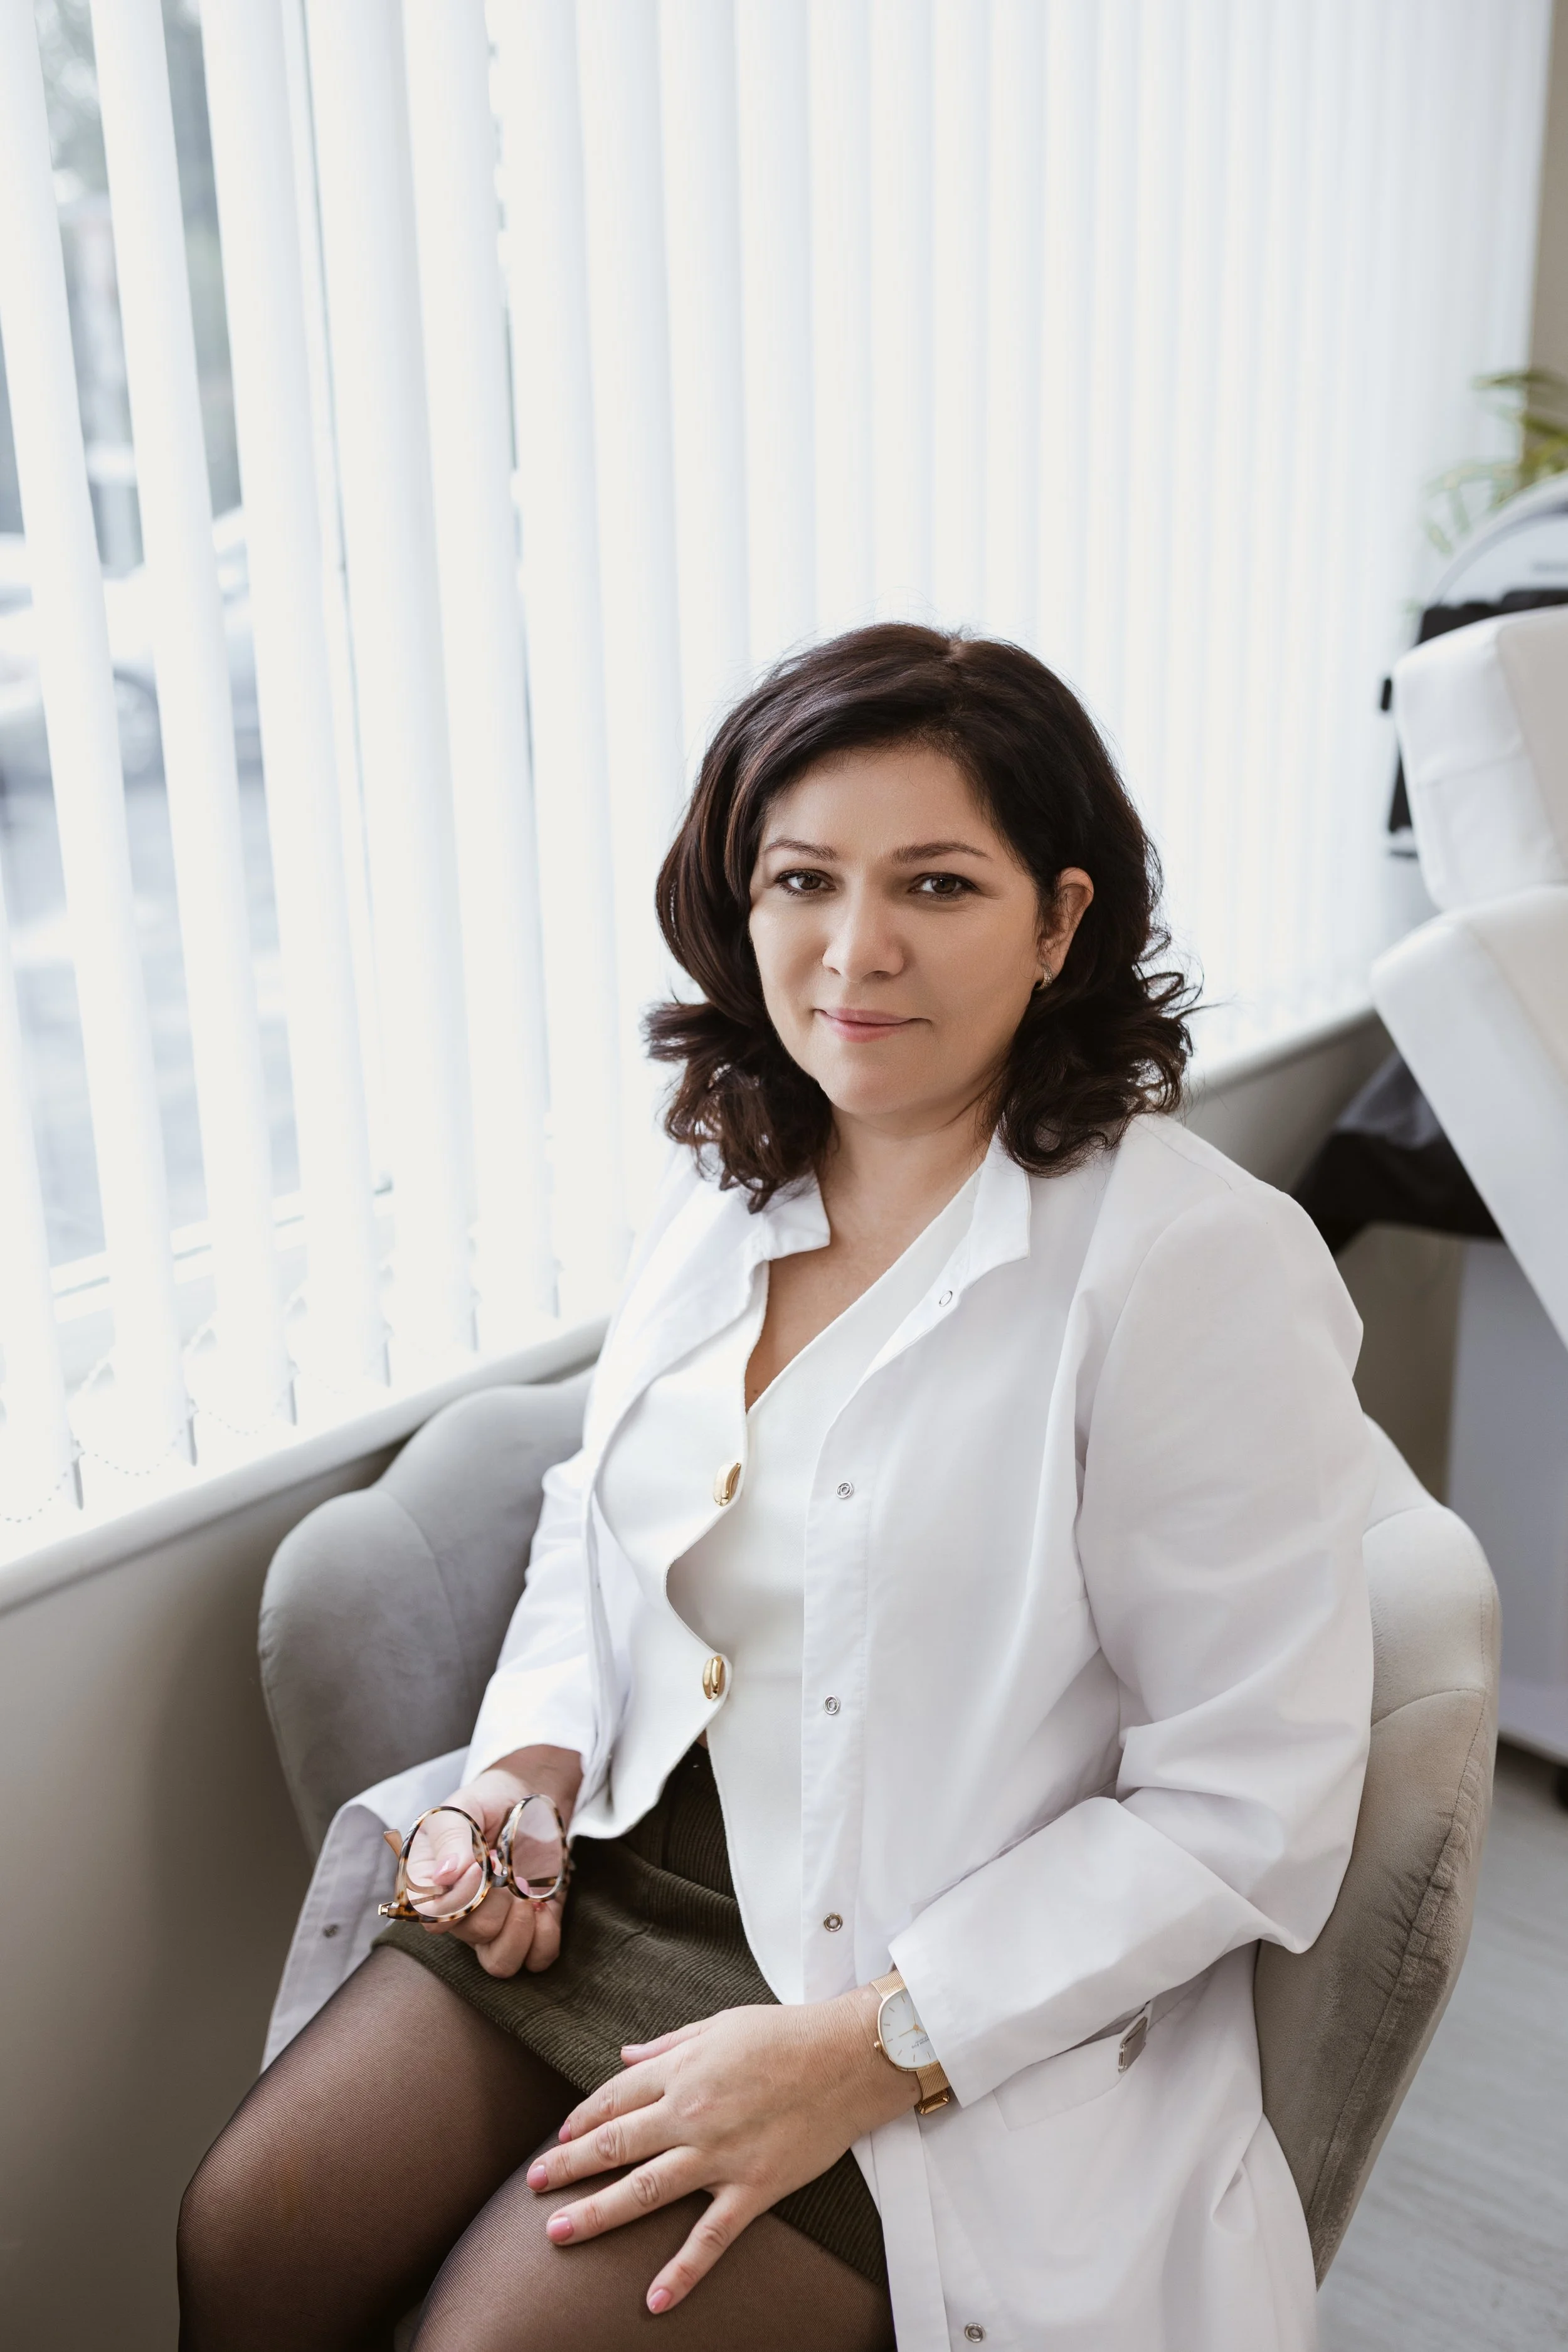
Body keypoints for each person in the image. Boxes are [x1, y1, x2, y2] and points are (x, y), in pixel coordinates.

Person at [178, 626, 1374, 2352]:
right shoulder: (737, 1178)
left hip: (922, 1960)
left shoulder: (1190, 1266)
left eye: (938, 884)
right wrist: (526, 1763)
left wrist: (863, 2048)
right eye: (801, 878)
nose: (856, 948)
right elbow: (602, 1524)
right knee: (252, 2232)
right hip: (626, 1874)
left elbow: (1248, 1797)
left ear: (1059, 921)